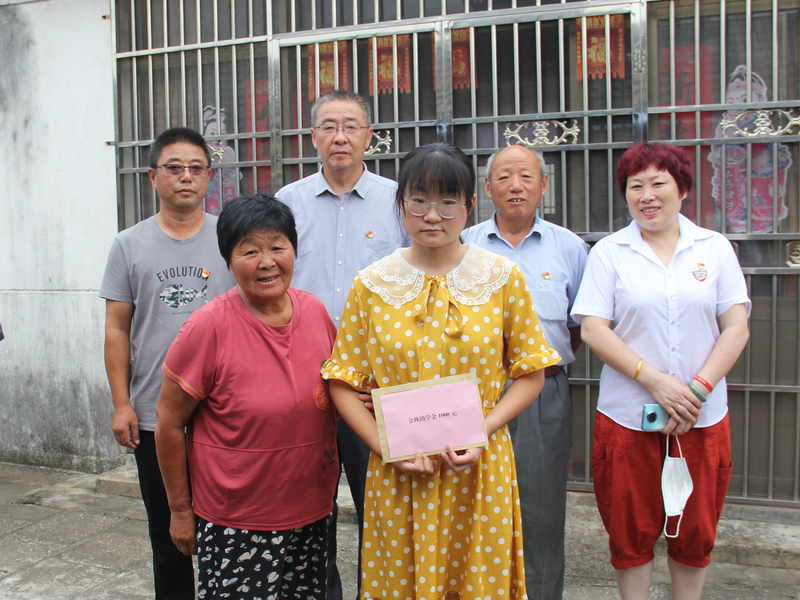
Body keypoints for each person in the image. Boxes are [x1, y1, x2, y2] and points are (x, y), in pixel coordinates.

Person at [323, 142, 560, 600]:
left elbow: (531, 373)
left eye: (448, 201)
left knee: (476, 583)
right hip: (398, 472)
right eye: (419, 200)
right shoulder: (371, 284)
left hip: (479, 468)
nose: (433, 215)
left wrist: (483, 429)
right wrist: (385, 448)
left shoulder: (501, 278)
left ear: (470, 205)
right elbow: (342, 382)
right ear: (400, 204)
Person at [571, 142, 750, 600]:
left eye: (658, 183)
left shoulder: (714, 248)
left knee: (695, 531)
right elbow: (593, 329)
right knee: (630, 531)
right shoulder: (610, 252)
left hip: (701, 417)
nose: (646, 195)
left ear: (683, 189)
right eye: (635, 186)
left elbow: (736, 327)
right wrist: (656, 382)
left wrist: (697, 389)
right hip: (628, 417)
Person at [155, 193, 339, 600]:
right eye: (250, 251)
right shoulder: (208, 327)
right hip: (237, 520)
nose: (266, 261)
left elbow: (339, 394)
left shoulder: (315, 312)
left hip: (312, 511)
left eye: (277, 247)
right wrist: (180, 510)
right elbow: (168, 423)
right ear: (228, 261)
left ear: (294, 250)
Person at [275, 89, 409, 600]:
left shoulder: (397, 200)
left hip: (375, 384)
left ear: (369, 136)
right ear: (313, 136)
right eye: (329, 126)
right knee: (308, 508)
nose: (340, 137)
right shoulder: (288, 202)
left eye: (351, 126)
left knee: (382, 503)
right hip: (303, 378)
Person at [100, 126, 236, 600]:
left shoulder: (230, 237)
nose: (185, 177)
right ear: (153, 176)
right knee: (168, 532)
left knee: (229, 530)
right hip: (156, 413)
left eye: (196, 168)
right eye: (174, 168)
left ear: (209, 177)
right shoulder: (128, 244)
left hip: (225, 410)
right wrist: (122, 403)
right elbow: (117, 329)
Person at [462, 144, 587, 600]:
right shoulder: (464, 245)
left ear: (544, 184)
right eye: (504, 177)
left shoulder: (570, 247)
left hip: (544, 394)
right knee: (472, 506)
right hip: (474, 394)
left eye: (527, 176)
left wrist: (536, 369)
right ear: (487, 187)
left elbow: (578, 326)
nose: (515, 186)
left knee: (541, 510)